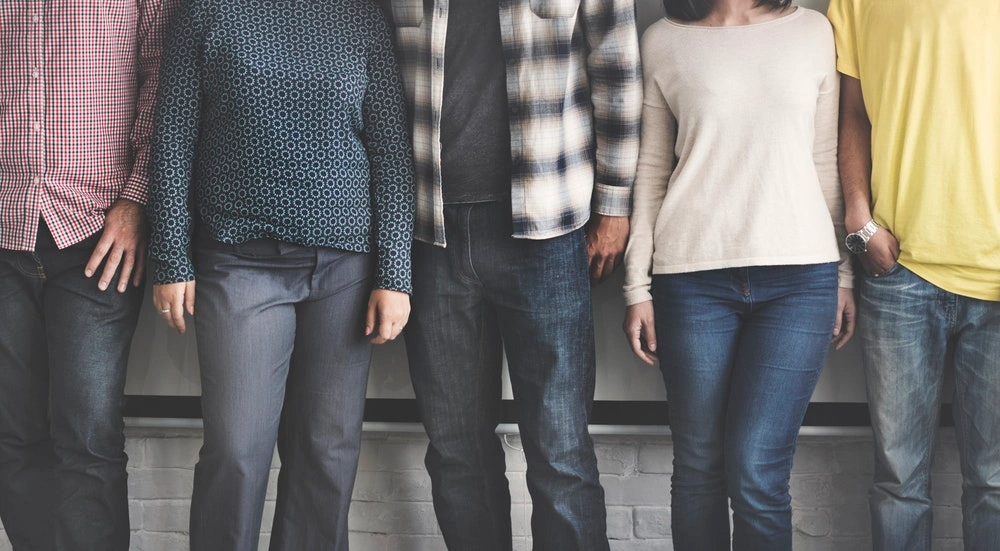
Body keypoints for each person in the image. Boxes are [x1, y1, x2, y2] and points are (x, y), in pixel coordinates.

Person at [147, 0, 415, 548]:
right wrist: (171, 256)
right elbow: (172, 138)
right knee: (237, 449)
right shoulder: (204, 12)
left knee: (327, 451)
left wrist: (395, 273)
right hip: (239, 261)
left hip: (346, 266)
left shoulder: (361, 15)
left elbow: (391, 152)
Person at [377, 0, 641, 548]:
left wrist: (615, 206)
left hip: (544, 233)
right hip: (430, 235)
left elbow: (617, 69)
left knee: (559, 451)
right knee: (455, 451)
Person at [622, 0, 856, 548]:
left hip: (800, 281)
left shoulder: (813, 32)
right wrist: (636, 287)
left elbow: (826, 161)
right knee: (700, 465)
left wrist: (845, 274)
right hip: (690, 279)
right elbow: (651, 171)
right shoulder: (663, 40)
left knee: (757, 470)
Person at [0, 2, 175, 548]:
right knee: (14, 437)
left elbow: (162, 78)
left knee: (88, 440)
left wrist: (137, 199)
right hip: (5, 233)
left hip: (97, 235)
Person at [827, 1, 1000, 549]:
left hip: (997, 276)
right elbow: (850, 111)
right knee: (899, 481)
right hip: (897, 268)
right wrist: (858, 214)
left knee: (994, 481)